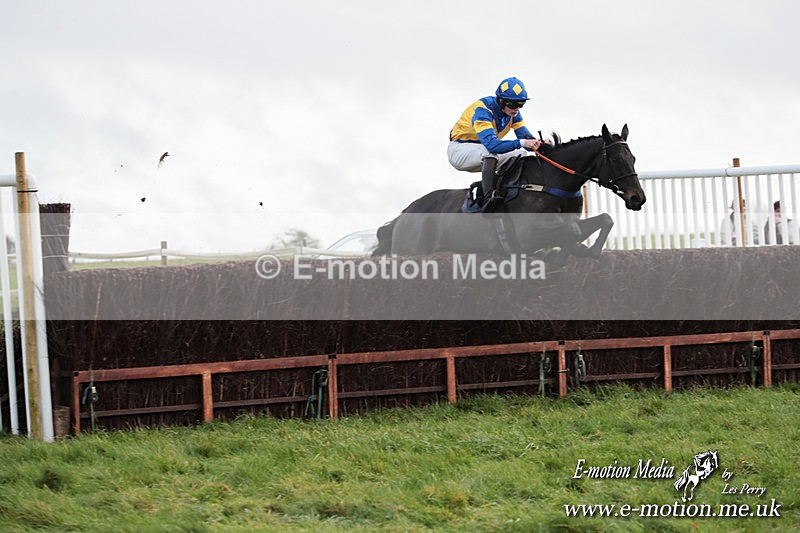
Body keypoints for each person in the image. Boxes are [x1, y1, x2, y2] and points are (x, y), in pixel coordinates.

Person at [448, 77, 545, 211]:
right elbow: (493, 145)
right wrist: (523, 142)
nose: (516, 109)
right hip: (460, 149)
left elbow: (525, 137)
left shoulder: (514, 114)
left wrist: (540, 145)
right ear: (501, 100)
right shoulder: (483, 109)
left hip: (481, 149)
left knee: (520, 155)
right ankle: (489, 199)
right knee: (491, 153)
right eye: (512, 104)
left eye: (521, 104)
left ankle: (503, 190)